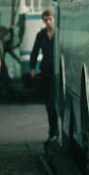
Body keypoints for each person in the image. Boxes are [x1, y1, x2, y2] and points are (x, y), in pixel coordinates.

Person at [30, 8, 59, 144]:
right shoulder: (41, 35)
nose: (48, 22)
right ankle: (53, 132)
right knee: (48, 104)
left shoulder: (59, 33)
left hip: (58, 71)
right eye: (45, 20)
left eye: (50, 19)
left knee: (53, 103)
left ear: (54, 19)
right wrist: (32, 67)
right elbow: (35, 51)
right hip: (46, 71)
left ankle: (55, 133)